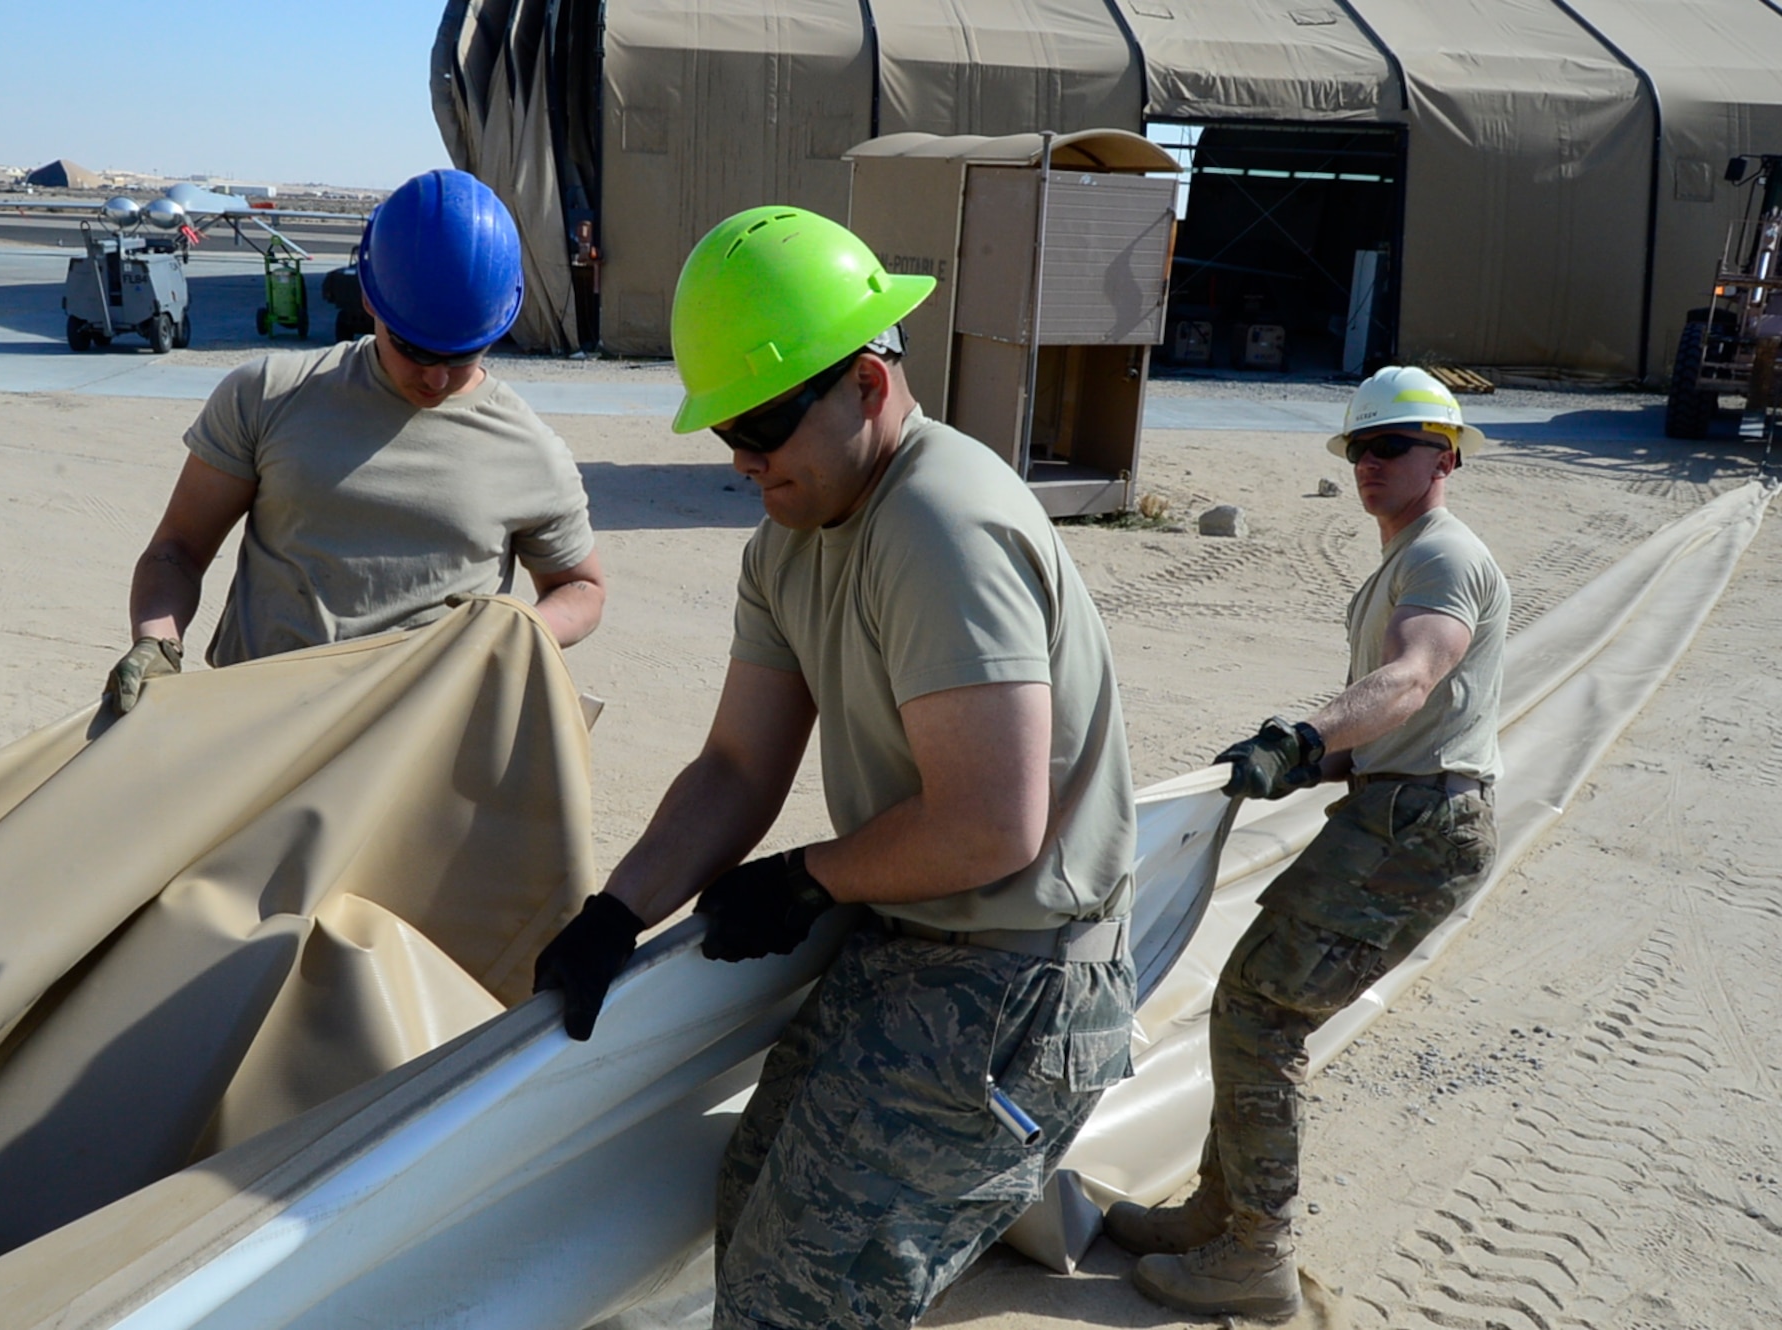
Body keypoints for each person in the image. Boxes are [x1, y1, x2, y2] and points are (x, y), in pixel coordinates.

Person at [532, 205, 1137, 1330]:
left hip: (1015, 978)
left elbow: (989, 826)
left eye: (763, 421)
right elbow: (733, 763)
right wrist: (617, 908)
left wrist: (806, 875)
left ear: (867, 383)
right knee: (752, 1211)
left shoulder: (941, 526)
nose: (745, 459)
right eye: (725, 433)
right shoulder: (790, 542)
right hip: (913, 941)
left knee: (798, 1299)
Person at [1106, 366, 1508, 1319]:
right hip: (1396, 806)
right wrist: (1294, 761)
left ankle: (1255, 1253)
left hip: (1423, 823)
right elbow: (1399, 722)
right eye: (1360, 449)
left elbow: (1412, 680)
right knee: (1253, 999)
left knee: (1259, 1011)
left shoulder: (1443, 560)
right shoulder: (1405, 555)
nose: (1369, 464)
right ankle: (1223, 1211)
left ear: (1444, 457)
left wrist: (1310, 736)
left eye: (1391, 447)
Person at [103, 168, 604, 712]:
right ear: (369, 297)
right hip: (258, 722)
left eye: (461, 355)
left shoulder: (532, 450)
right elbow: (177, 549)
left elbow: (583, 589)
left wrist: (517, 627)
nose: (435, 379)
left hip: (421, 744)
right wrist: (157, 639)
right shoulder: (268, 395)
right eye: (413, 348)